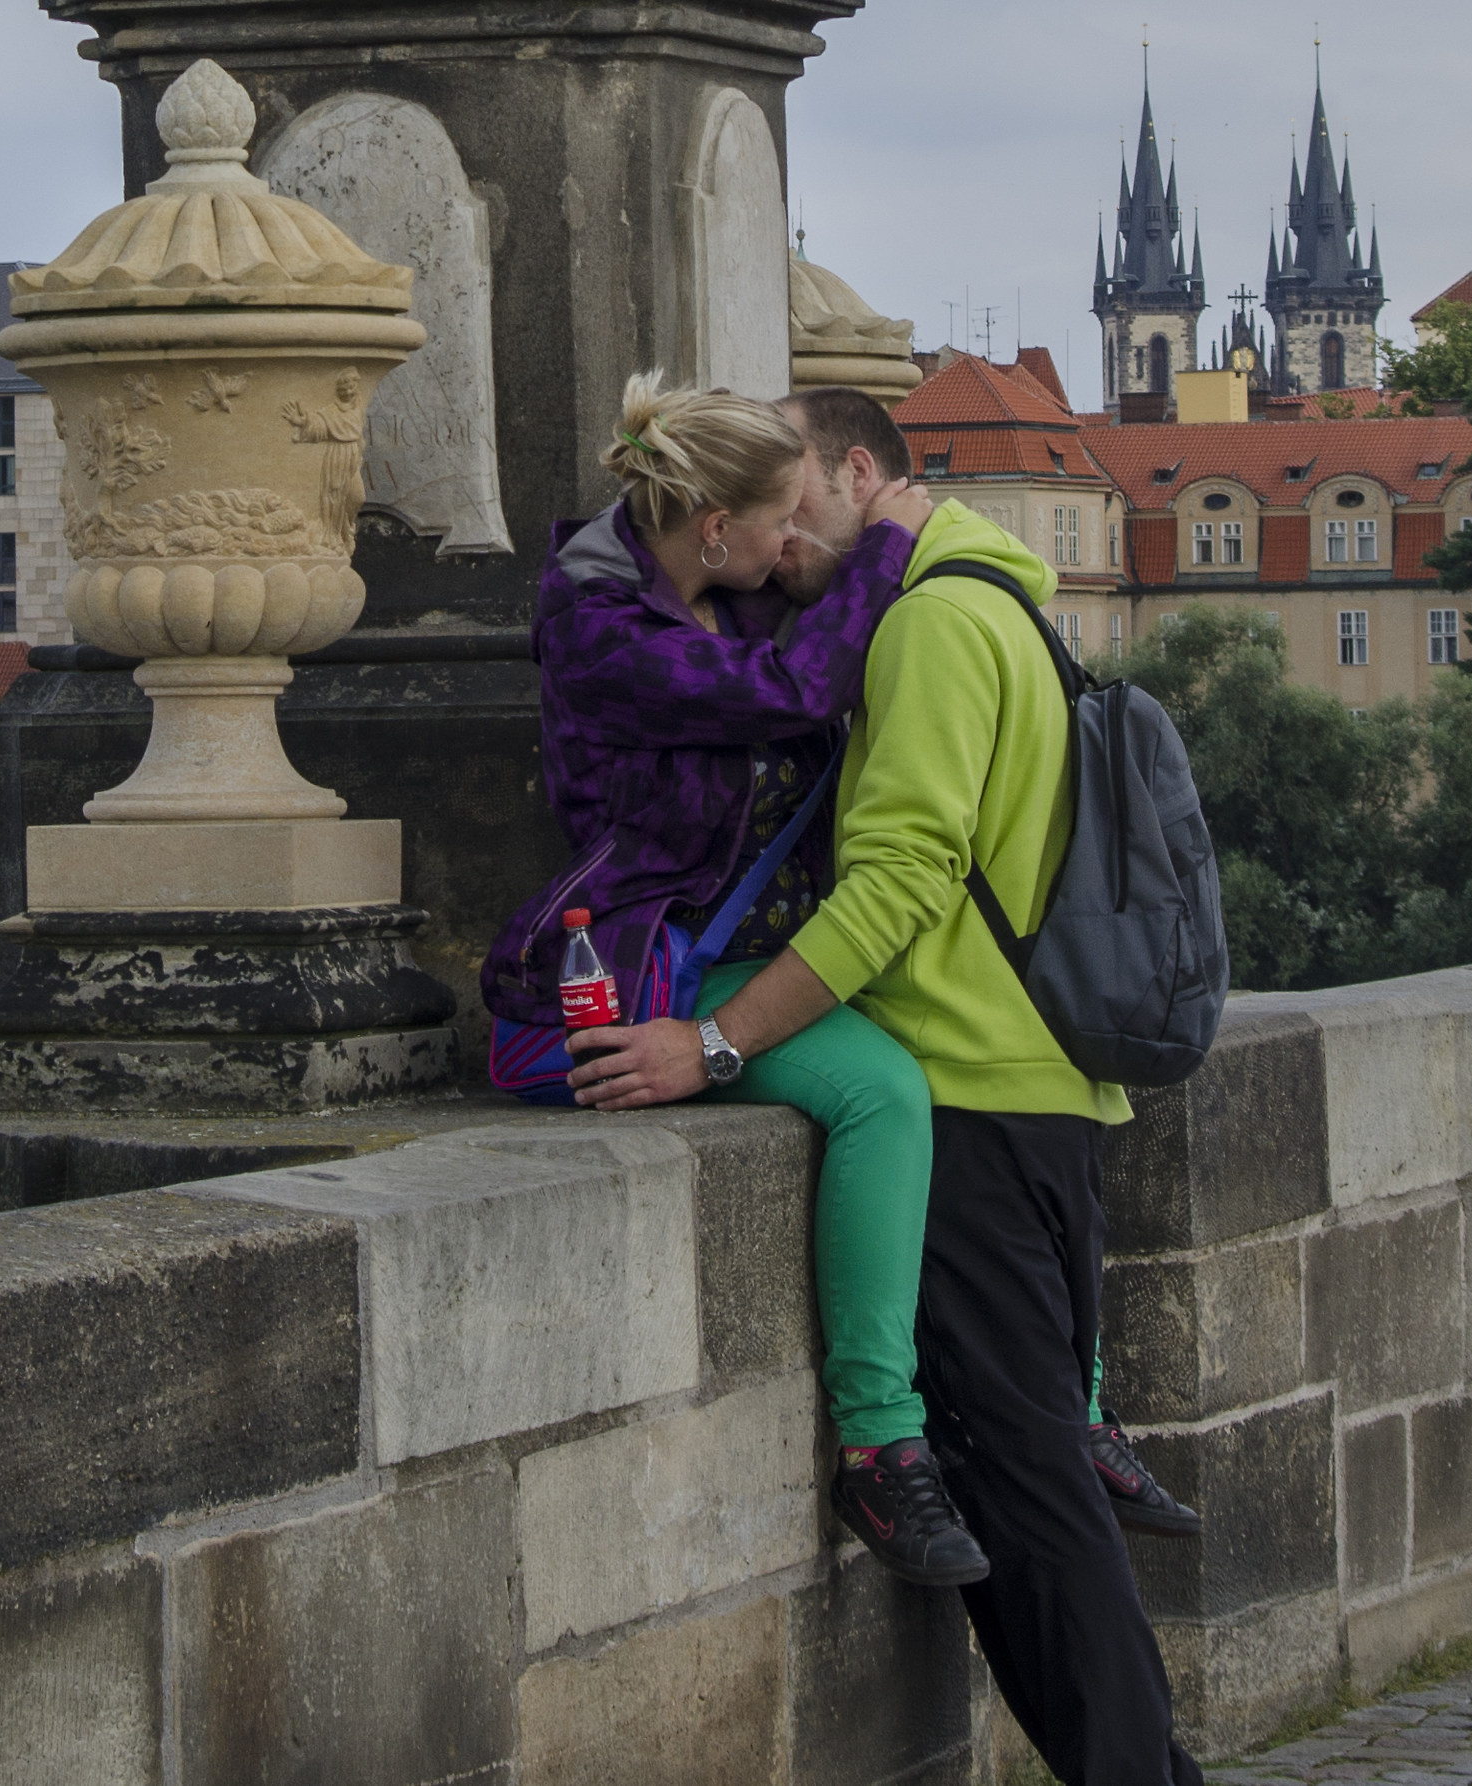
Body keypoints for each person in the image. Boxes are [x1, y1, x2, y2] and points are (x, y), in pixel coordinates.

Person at [569, 390, 1205, 1786]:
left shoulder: (925, 626)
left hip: (973, 1088)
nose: (779, 541)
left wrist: (722, 1040)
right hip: (1048, 1082)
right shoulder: (996, 588)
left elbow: (902, 884)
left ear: (864, 474)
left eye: (795, 500)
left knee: (1028, 1502)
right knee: (1054, 1486)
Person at [481, 372, 987, 1586]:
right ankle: (880, 1449)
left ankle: (1060, 1393)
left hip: (743, 937)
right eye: (781, 520)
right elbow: (798, 691)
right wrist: (894, 545)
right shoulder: (598, 623)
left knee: (966, 1062)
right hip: (659, 958)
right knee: (883, 1095)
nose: (796, 540)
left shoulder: (716, 590)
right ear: (717, 529)